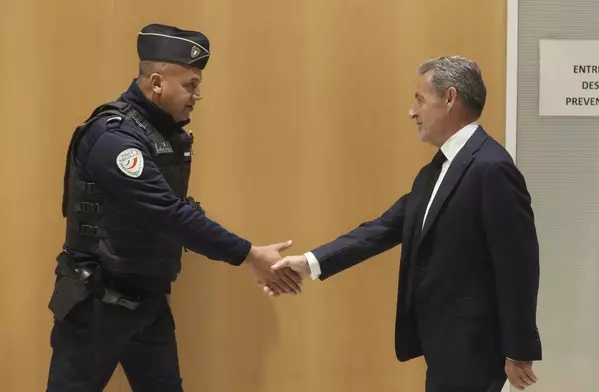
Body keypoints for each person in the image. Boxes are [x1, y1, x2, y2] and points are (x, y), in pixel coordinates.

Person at [46, 23, 301, 392]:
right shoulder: (114, 139)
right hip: (97, 304)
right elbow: (168, 214)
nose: (197, 95)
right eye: (191, 85)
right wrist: (248, 254)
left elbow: (179, 209)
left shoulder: (164, 135)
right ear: (157, 82)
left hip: (147, 300)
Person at [268, 56, 542, 392]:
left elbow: (518, 265)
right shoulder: (435, 171)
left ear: (451, 98)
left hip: (476, 348)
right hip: (443, 347)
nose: (412, 112)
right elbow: (382, 229)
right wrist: (310, 263)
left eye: (420, 100)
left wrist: (519, 350)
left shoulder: (492, 167)